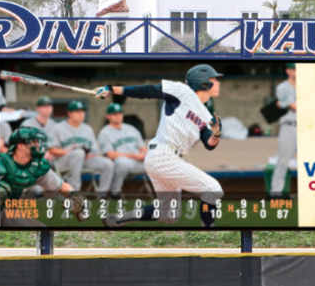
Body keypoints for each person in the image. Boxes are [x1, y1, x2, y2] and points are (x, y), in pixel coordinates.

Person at [93, 64, 224, 227]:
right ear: (203, 83)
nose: (218, 83)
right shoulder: (183, 91)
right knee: (212, 189)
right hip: (164, 154)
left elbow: (209, 144)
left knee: (169, 214)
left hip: (166, 158)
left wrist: (216, 133)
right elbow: (146, 90)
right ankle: (209, 235)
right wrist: (111, 89)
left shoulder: (205, 114)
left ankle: (117, 220)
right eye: (214, 79)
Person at [0, 127, 84, 227]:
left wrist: (75, 197)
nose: (38, 145)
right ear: (21, 146)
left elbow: (62, 186)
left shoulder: (38, 166)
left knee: (43, 231)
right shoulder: (0, 164)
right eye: (34, 142)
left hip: (7, 212)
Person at [48, 100, 114, 195]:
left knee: (108, 164)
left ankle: (102, 195)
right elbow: (52, 150)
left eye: (82, 111)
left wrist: (89, 154)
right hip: (64, 161)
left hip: (85, 160)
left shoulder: (88, 129)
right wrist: (71, 151)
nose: (81, 114)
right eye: (77, 112)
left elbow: (95, 150)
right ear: (69, 113)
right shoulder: (58, 128)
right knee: (78, 153)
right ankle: (74, 191)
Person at [98, 103, 147, 198]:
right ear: (108, 116)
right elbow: (110, 155)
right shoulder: (104, 132)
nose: (118, 116)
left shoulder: (131, 128)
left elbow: (142, 148)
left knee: (156, 163)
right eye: (114, 114)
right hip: (122, 161)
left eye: (120, 113)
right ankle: (115, 192)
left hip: (138, 161)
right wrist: (134, 155)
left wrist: (144, 154)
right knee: (122, 163)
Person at [271, 63, 297, 198]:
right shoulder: (282, 87)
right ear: (288, 70)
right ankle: (276, 193)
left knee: (311, 163)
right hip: (289, 126)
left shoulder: (309, 85)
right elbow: (295, 106)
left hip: (307, 127)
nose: (297, 72)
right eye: (295, 69)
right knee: (282, 162)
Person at [20, 96, 56, 161]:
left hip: (52, 158)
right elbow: (22, 144)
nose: (48, 108)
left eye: (49, 106)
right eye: (44, 106)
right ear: (37, 108)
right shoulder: (27, 124)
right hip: (32, 156)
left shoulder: (54, 124)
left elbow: (56, 146)